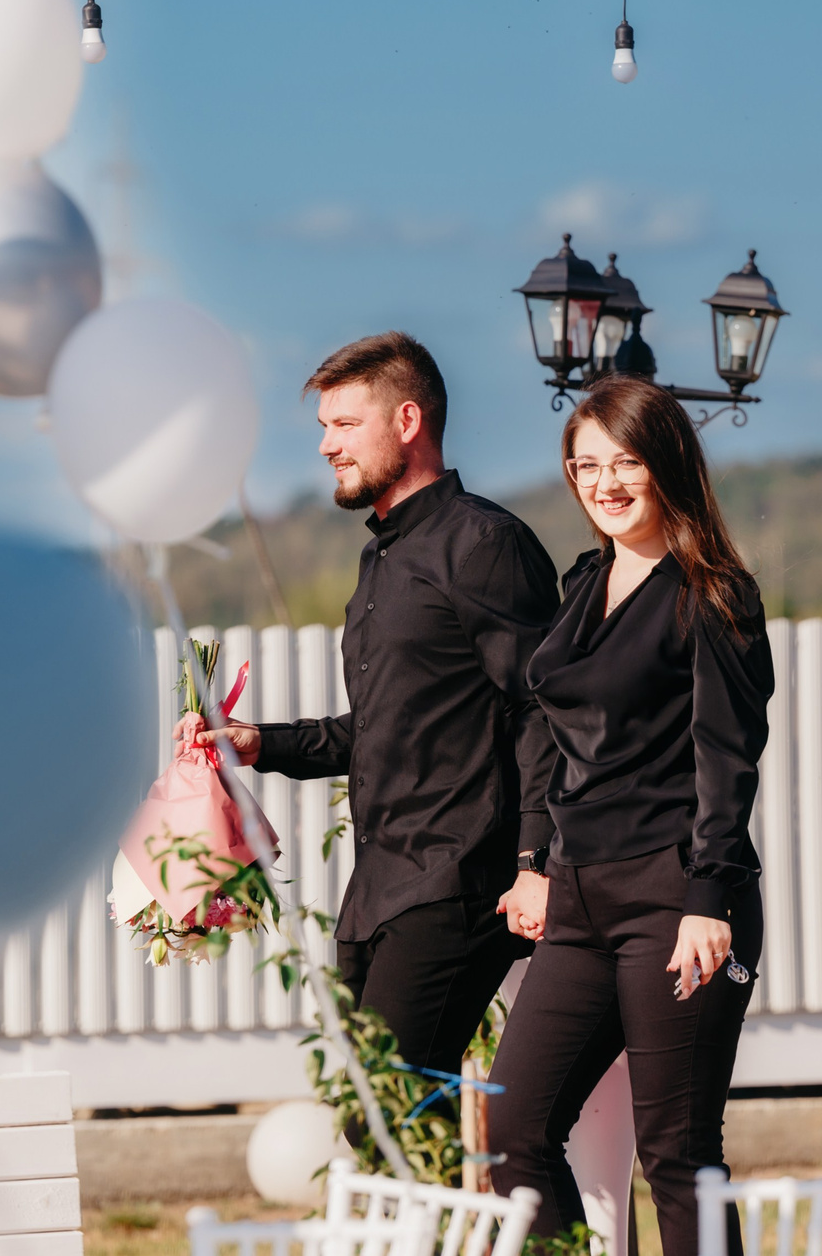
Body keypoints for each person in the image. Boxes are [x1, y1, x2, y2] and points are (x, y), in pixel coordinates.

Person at [176, 331, 558, 1082]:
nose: (326, 446)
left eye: (345, 424)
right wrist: (259, 743)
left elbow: (542, 709)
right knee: (370, 1109)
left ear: (407, 421)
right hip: (377, 886)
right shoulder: (379, 556)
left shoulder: (485, 544)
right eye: (325, 427)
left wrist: (534, 864)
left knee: (391, 1105)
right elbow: (381, 730)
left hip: (457, 884)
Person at [488, 375, 773, 1256]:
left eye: (625, 462)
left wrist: (709, 898)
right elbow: (556, 739)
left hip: (675, 897)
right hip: (579, 896)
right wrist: (535, 862)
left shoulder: (713, 593)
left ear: (667, 463)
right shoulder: (584, 582)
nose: (604, 483)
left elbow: (727, 759)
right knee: (514, 1131)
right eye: (586, 466)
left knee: (678, 1153)